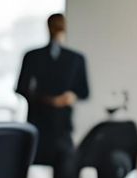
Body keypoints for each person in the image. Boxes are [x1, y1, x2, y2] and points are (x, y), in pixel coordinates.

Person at [15, 13, 90, 168]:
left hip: (63, 128)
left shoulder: (76, 59)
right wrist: (50, 100)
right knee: (37, 173)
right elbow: (22, 89)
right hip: (38, 125)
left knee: (64, 173)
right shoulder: (33, 57)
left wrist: (72, 97)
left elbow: (84, 91)